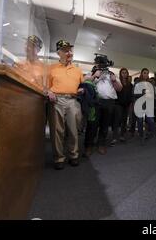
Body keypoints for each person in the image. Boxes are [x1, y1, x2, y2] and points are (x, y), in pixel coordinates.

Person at [47, 40, 85, 170]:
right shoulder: (51, 68)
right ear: (59, 53)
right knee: (57, 131)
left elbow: (83, 85)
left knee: (73, 130)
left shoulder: (77, 70)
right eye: (65, 50)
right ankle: (59, 158)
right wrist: (48, 92)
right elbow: (45, 86)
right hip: (56, 100)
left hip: (72, 100)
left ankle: (74, 155)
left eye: (70, 50)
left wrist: (83, 89)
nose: (69, 53)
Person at [92, 62, 123, 154]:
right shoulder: (93, 73)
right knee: (93, 124)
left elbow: (119, 89)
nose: (102, 66)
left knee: (105, 125)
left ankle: (101, 144)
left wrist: (114, 81)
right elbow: (85, 83)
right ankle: (88, 145)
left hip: (109, 103)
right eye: (100, 64)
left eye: (104, 64)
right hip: (96, 102)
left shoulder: (112, 75)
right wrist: (95, 76)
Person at [117, 68, 133, 142]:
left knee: (124, 119)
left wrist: (130, 102)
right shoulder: (117, 82)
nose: (124, 74)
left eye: (125, 72)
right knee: (118, 118)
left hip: (127, 104)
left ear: (127, 74)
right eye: (123, 72)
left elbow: (131, 95)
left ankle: (122, 135)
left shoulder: (130, 84)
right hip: (119, 104)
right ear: (120, 74)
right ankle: (115, 135)